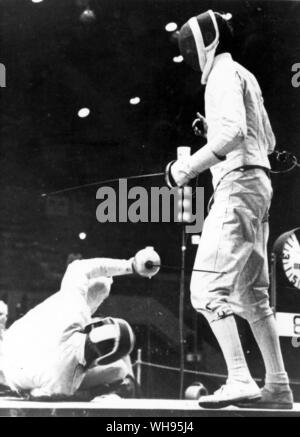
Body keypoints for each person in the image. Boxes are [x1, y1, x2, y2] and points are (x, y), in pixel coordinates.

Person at [166, 9, 293, 409]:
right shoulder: (244, 74)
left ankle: (239, 378)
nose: (188, 52)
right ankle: (278, 386)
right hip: (259, 186)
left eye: (189, 44)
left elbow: (234, 132)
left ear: (205, 41)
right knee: (253, 296)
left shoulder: (220, 75)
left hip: (237, 187)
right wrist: (215, 134)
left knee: (204, 289)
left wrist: (184, 169)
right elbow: (266, 140)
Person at [0, 247, 160, 400]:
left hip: (10, 346)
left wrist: (131, 265)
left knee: (100, 286)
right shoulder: (68, 383)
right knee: (120, 370)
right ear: (103, 358)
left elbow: (78, 268)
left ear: (96, 325)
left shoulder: (74, 311)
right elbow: (38, 395)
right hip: (15, 378)